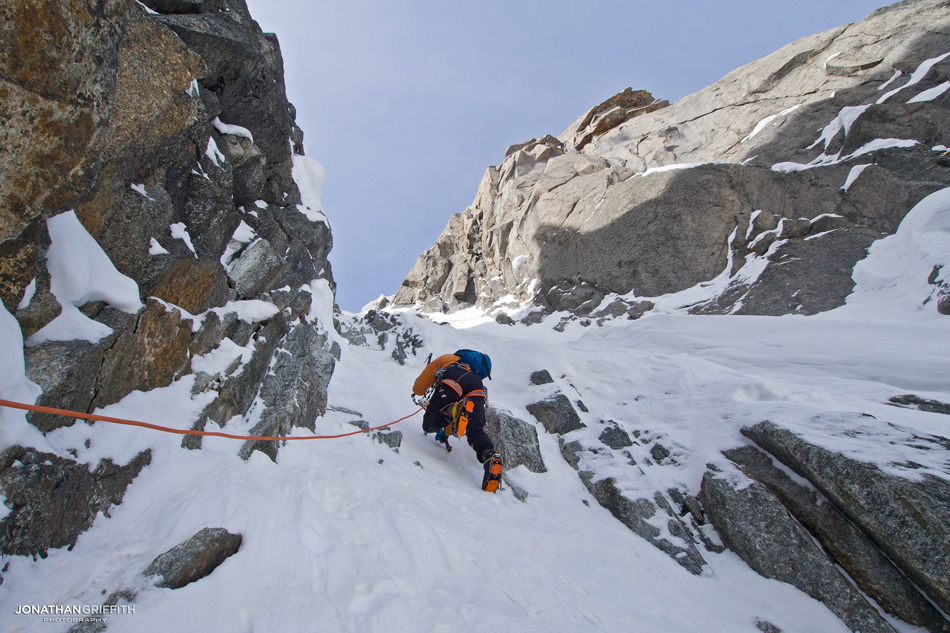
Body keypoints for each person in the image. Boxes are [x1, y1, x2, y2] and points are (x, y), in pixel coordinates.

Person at [412, 349, 502, 492]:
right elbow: (459, 412)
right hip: (477, 388)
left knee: (428, 424)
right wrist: (446, 432)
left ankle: (449, 411)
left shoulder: (450, 358)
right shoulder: (477, 376)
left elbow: (419, 388)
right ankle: (489, 455)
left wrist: (418, 389)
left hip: (454, 378)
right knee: (476, 429)